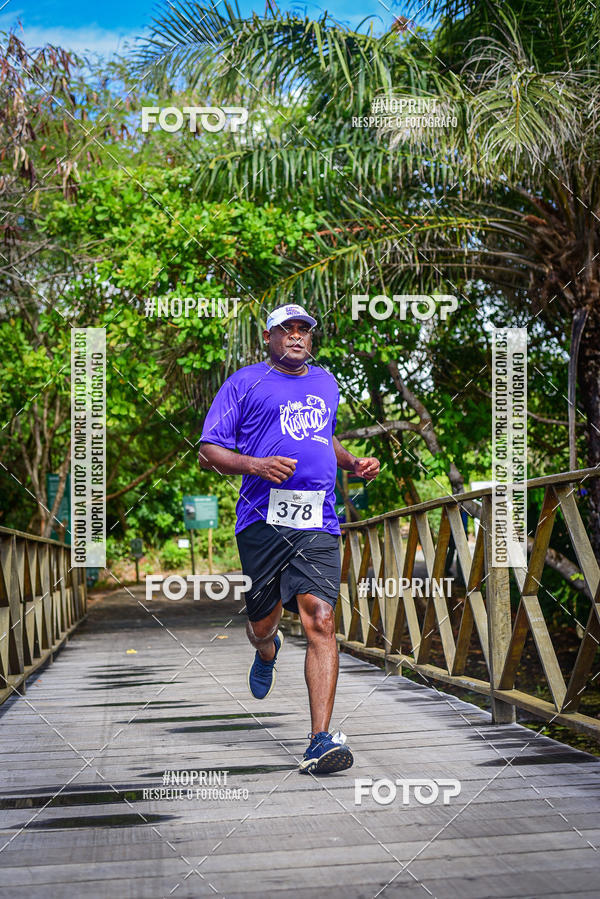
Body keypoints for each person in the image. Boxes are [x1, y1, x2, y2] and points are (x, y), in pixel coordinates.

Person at [198, 303, 380, 774]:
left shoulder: (326, 382)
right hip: (261, 519)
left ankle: (320, 739)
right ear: (269, 337)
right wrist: (255, 465)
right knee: (263, 622)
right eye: (287, 330)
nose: (296, 336)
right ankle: (266, 648)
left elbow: (325, 437)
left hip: (318, 519)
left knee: (321, 618)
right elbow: (207, 452)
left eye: (304, 330)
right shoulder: (244, 382)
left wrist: (351, 462)